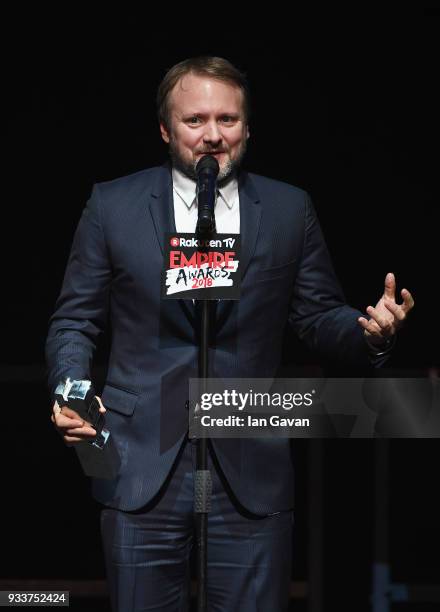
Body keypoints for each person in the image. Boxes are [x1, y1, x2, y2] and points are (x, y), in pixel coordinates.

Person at [46, 56, 414, 611]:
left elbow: (317, 317)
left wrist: (371, 332)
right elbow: (76, 318)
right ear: (167, 129)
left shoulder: (289, 209)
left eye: (228, 120)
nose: (213, 135)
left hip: (250, 464)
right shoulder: (113, 205)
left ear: (247, 128)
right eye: (195, 120)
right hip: (139, 460)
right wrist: (71, 387)